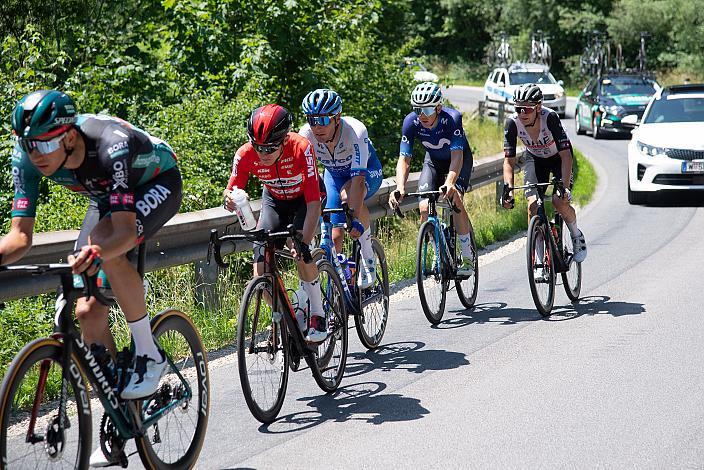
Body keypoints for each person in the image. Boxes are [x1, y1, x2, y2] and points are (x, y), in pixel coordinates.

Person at [2, 89, 182, 466]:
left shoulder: (109, 144)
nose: (35, 153)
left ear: (69, 136)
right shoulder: (28, 158)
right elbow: (20, 237)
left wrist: (99, 253)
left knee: (105, 246)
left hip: (157, 181)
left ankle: (148, 353)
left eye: (43, 143)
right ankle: (119, 409)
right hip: (107, 197)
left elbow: (122, 232)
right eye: (27, 144)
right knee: (84, 311)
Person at [223, 104, 326, 342]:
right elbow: (231, 188)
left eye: (270, 147)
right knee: (260, 272)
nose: (263, 153)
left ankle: (318, 315)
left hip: (305, 200)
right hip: (274, 200)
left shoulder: (302, 147)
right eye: (258, 147)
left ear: (284, 140)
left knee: (301, 252)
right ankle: (287, 315)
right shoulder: (245, 153)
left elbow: (313, 203)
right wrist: (229, 198)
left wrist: (303, 241)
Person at [501, 83, 587, 279]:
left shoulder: (550, 118)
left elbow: (566, 156)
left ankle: (575, 234)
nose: (522, 113)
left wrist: (565, 187)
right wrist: (508, 190)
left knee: (559, 201)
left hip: (558, 159)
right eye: (518, 108)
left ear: (538, 107)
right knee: (532, 206)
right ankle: (539, 261)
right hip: (535, 159)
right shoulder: (512, 123)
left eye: (527, 109)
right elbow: (509, 160)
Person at [298, 88, 383, 288]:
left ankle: (369, 260)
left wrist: (353, 216)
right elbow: (305, 176)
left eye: (324, 120)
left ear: (337, 118)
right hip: (334, 176)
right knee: (334, 237)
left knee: (349, 197)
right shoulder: (305, 135)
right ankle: (338, 286)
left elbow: (358, 180)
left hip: (366, 172)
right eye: (312, 120)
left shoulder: (355, 131)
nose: (317, 127)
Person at [388, 81, 475, 275]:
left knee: (455, 199)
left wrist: (450, 183)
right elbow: (404, 158)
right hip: (433, 162)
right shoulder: (411, 122)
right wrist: (400, 187)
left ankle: (468, 257)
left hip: (458, 160)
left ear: (438, 107)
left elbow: (457, 156)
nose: (422, 115)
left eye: (427, 110)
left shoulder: (452, 118)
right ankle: (438, 251)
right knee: (424, 207)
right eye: (418, 110)